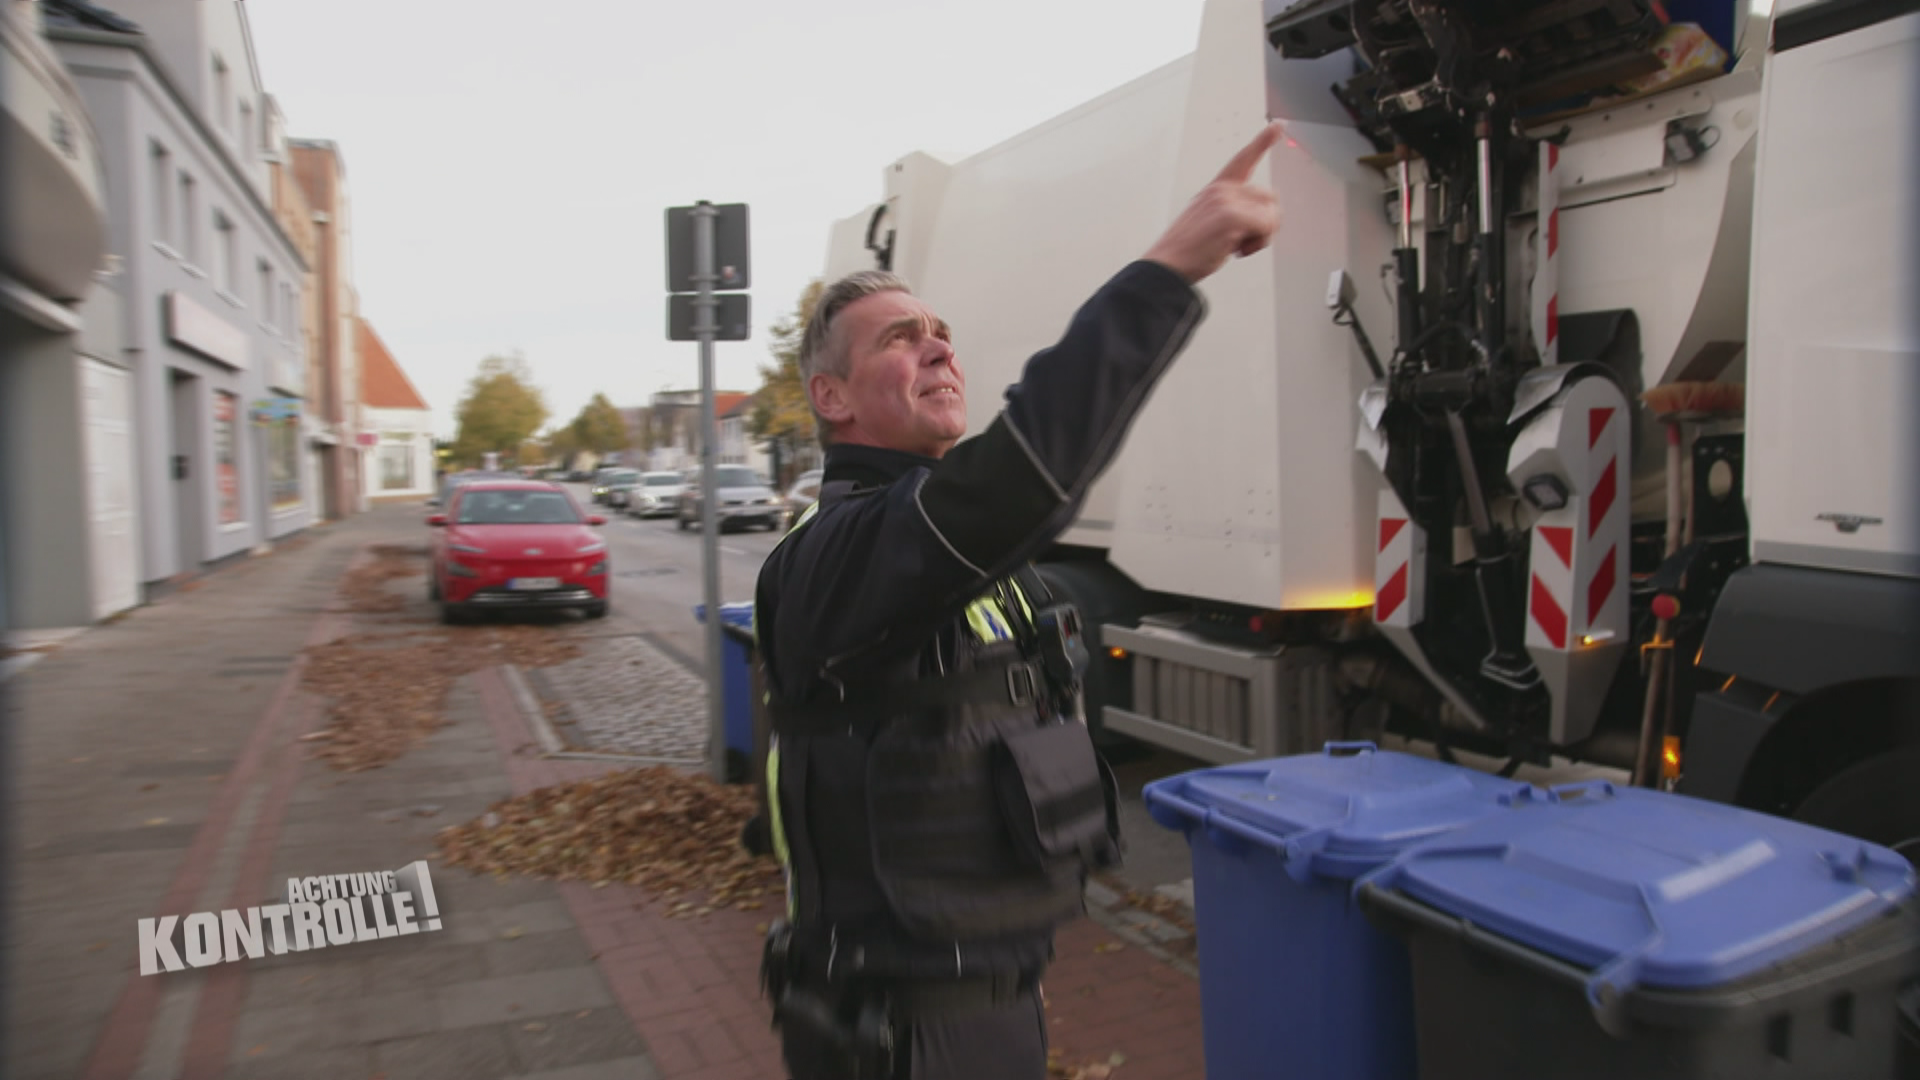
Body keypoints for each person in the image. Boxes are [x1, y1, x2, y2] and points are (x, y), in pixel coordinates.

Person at [752, 121, 1284, 1080]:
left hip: (984, 993)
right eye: (901, 339)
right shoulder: (836, 552)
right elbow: (1023, 471)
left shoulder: (947, 543)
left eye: (944, 336)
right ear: (831, 399)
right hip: (897, 1024)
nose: (939, 352)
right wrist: (1169, 269)